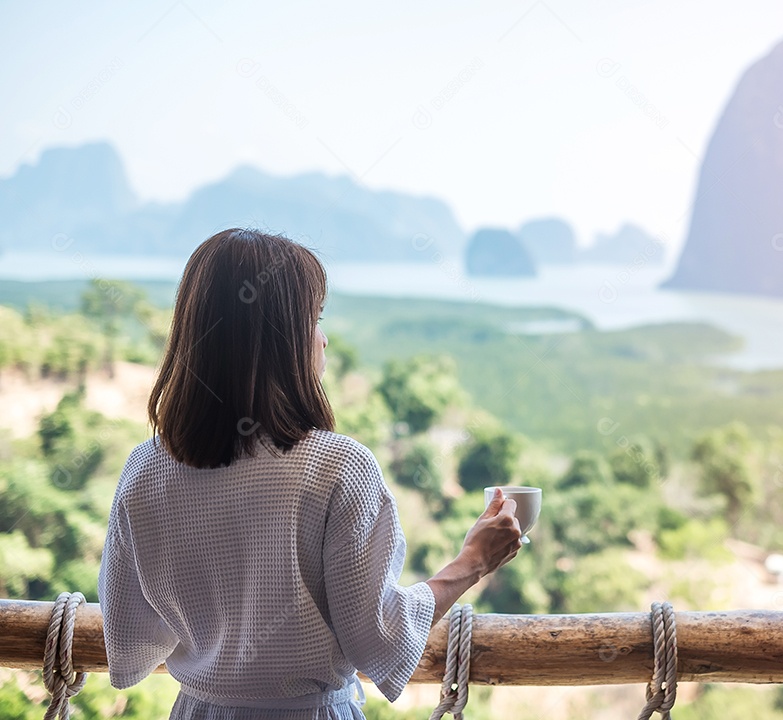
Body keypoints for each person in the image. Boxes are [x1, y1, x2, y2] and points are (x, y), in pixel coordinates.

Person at [97, 228, 523, 719]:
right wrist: (472, 561)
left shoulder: (144, 471)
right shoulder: (339, 468)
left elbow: (130, 643)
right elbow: (378, 640)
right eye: (314, 319)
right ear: (279, 341)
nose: (323, 337)